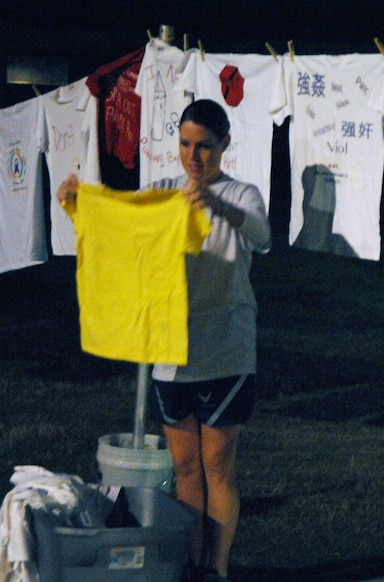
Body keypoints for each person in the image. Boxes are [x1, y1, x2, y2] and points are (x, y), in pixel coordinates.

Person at [57, 99, 271, 582]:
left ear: (225, 146)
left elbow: (261, 233)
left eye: (205, 148)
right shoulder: (162, 192)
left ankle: (216, 569)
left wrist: (216, 205)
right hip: (170, 353)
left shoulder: (243, 194)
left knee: (218, 467)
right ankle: (187, 563)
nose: (194, 157)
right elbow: (125, 229)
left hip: (224, 351)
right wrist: (82, 204)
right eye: (185, 145)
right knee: (185, 469)